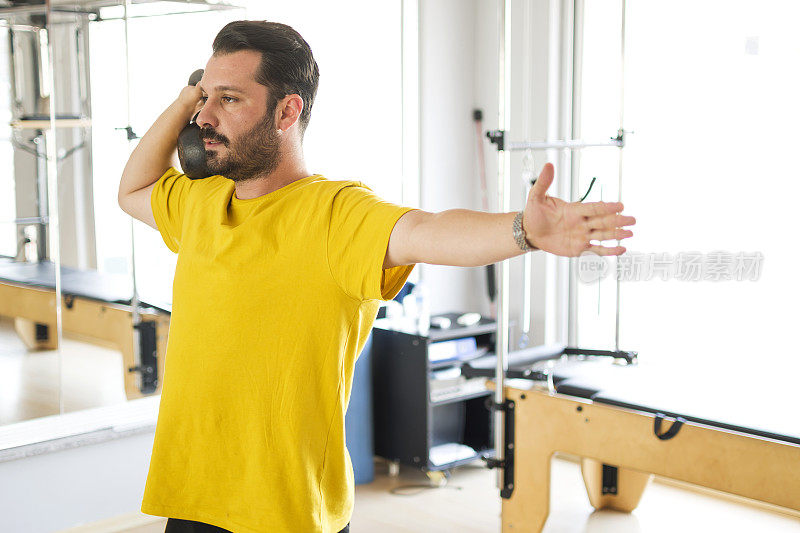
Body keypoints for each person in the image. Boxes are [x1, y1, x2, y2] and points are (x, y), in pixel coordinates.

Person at [117, 20, 635, 533]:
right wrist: (190, 98)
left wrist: (524, 230)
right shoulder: (201, 201)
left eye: (228, 99)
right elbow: (132, 189)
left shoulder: (335, 213)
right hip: (190, 496)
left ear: (287, 111)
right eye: (205, 98)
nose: (205, 117)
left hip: (284, 513)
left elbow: (428, 231)